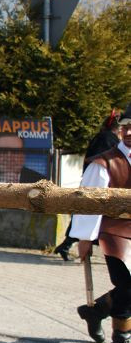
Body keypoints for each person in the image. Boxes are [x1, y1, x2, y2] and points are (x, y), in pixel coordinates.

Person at [68, 103, 131, 343]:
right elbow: (89, 202)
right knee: (128, 285)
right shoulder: (104, 162)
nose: (128, 133)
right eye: (126, 127)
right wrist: (84, 238)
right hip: (114, 232)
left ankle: (96, 312)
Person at [53, 109, 121, 261]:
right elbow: (102, 163)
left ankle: (66, 245)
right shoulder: (107, 139)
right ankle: (70, 245)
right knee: (87, 217)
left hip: (97, 183)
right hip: (97, 184)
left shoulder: (105, 137)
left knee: (85, 216)